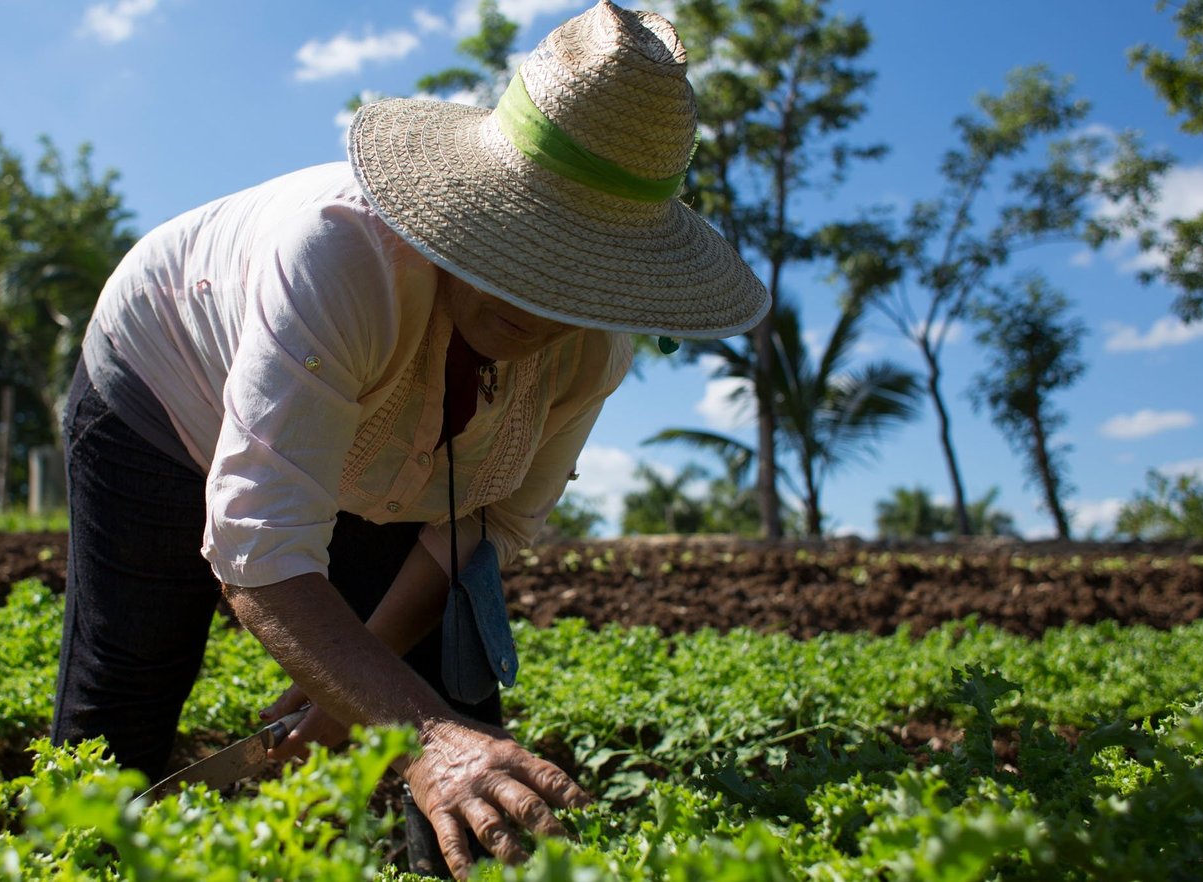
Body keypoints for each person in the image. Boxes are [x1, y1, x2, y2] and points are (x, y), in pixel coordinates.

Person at [48, 1, 768, 878]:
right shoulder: (341, 257)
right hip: (163, 390)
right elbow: (260, 546)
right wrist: (422, 737)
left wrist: (362, 703)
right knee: (131, 677)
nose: (538, 304)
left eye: (576, 273)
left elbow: (480, 527)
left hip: (382, 457)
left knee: (458, 708)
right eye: (521, 245)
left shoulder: (590, 353)